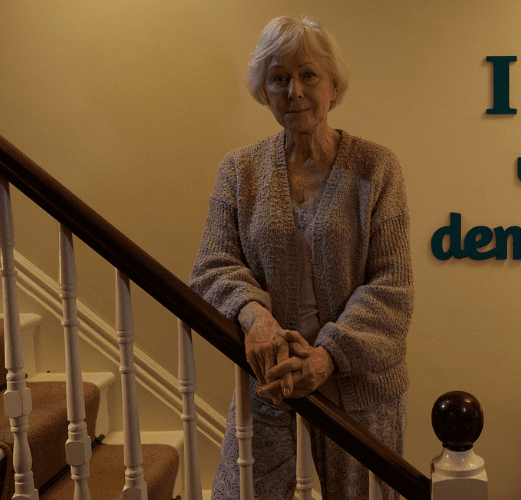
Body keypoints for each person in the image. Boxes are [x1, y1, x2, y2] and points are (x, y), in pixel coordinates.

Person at [189, 14, 413, 500]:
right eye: (278, 78)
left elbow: (392, 285)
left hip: (360, 389)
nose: (294, 90)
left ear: (333, 84)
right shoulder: (239, 170)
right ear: (263, 91)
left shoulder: (377, 167)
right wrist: (256, 318)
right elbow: (211, 266)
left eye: (308, 74)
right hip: (272, 383)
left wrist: (329, 355)